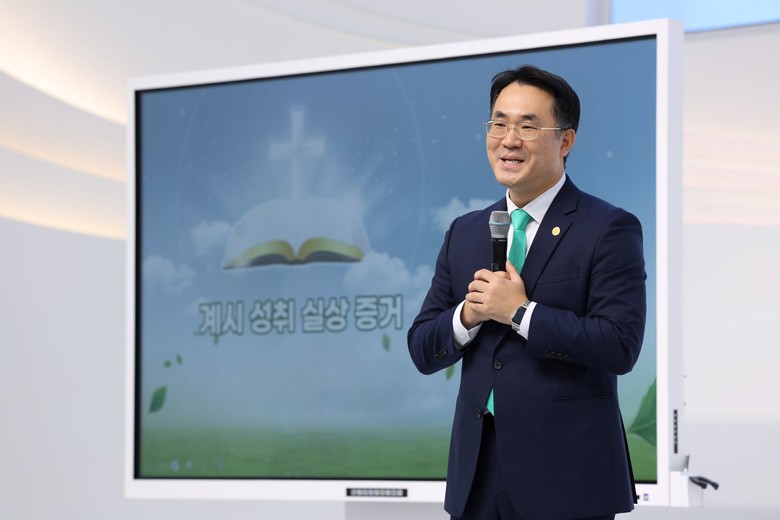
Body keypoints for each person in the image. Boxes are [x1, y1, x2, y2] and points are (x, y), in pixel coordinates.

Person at [407, 65, 646, 520]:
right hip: (477, 477)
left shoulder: (607, 228)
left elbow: (619, 345)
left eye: (528, 127)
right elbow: (422, 348)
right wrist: (469, 315)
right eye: (498, 124)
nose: (509, 140)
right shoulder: (465, 232)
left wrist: (520, 313)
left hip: (568, 481)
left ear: (566, 141)